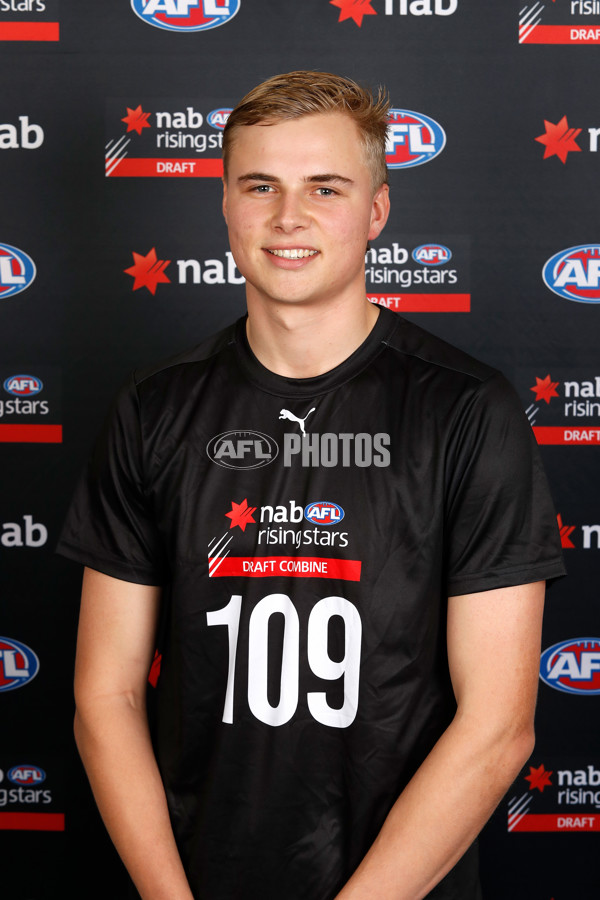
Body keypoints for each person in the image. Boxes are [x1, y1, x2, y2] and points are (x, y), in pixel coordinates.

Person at [58, 71, 565, 900]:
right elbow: (105, 693)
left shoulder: (468, 410)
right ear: (224, 204)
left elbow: (499, 726)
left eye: (324, 188)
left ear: (376, 211)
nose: (288, 218)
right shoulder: (153, 407)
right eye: (261, 186)